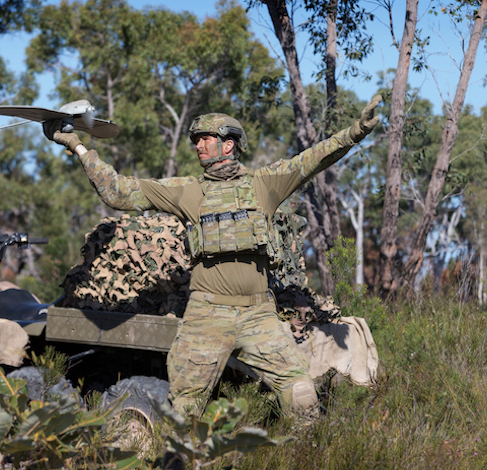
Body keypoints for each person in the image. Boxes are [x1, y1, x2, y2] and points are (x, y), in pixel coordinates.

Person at [43, 95, 381, 417]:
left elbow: (314, 158)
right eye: (196, 140)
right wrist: (77, 146)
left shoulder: (264, 184)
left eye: (205, 139)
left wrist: (356, 131)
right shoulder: (188, 190)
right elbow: (118, 191)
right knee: (185, 410)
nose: (198, 145)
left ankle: (302, 469)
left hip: (258, 314)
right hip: (206, 315)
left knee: (302, 397)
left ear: (228, 144)